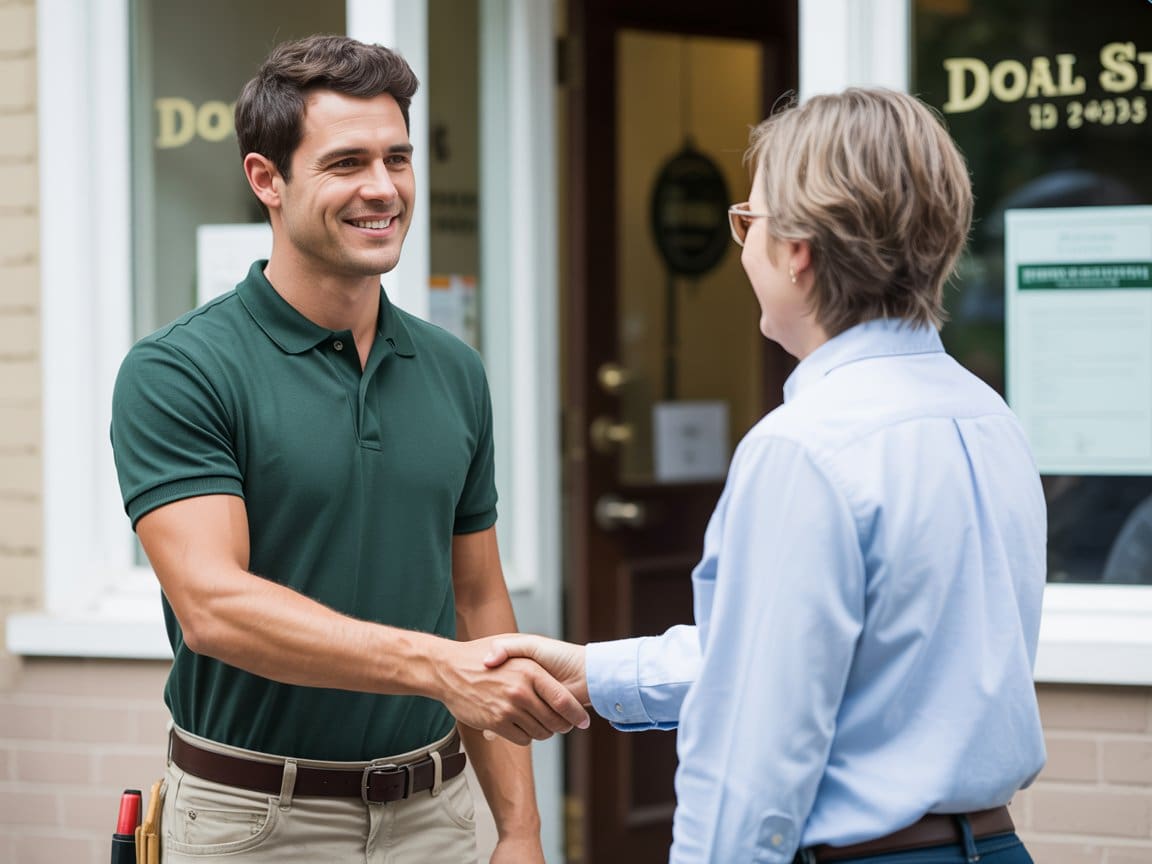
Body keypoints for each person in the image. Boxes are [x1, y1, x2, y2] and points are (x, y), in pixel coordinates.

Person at [488, 87, 1047, 863]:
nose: (742, 248)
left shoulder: (804, 448)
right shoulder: (991, 419)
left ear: (797, 251)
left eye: (748, 222)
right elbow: (835, 663)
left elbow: (753, 753)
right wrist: (595, 671)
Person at [110, 34, 587, 863]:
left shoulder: (452, 370)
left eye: (398, 159)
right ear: (267, 179)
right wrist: (436, 667)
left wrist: (519, 827)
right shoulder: (179, 370)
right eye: (346, 163)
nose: (383, 188)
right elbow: (214, 607)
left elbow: (476, 600)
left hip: (436, 814)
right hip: (254, 822)